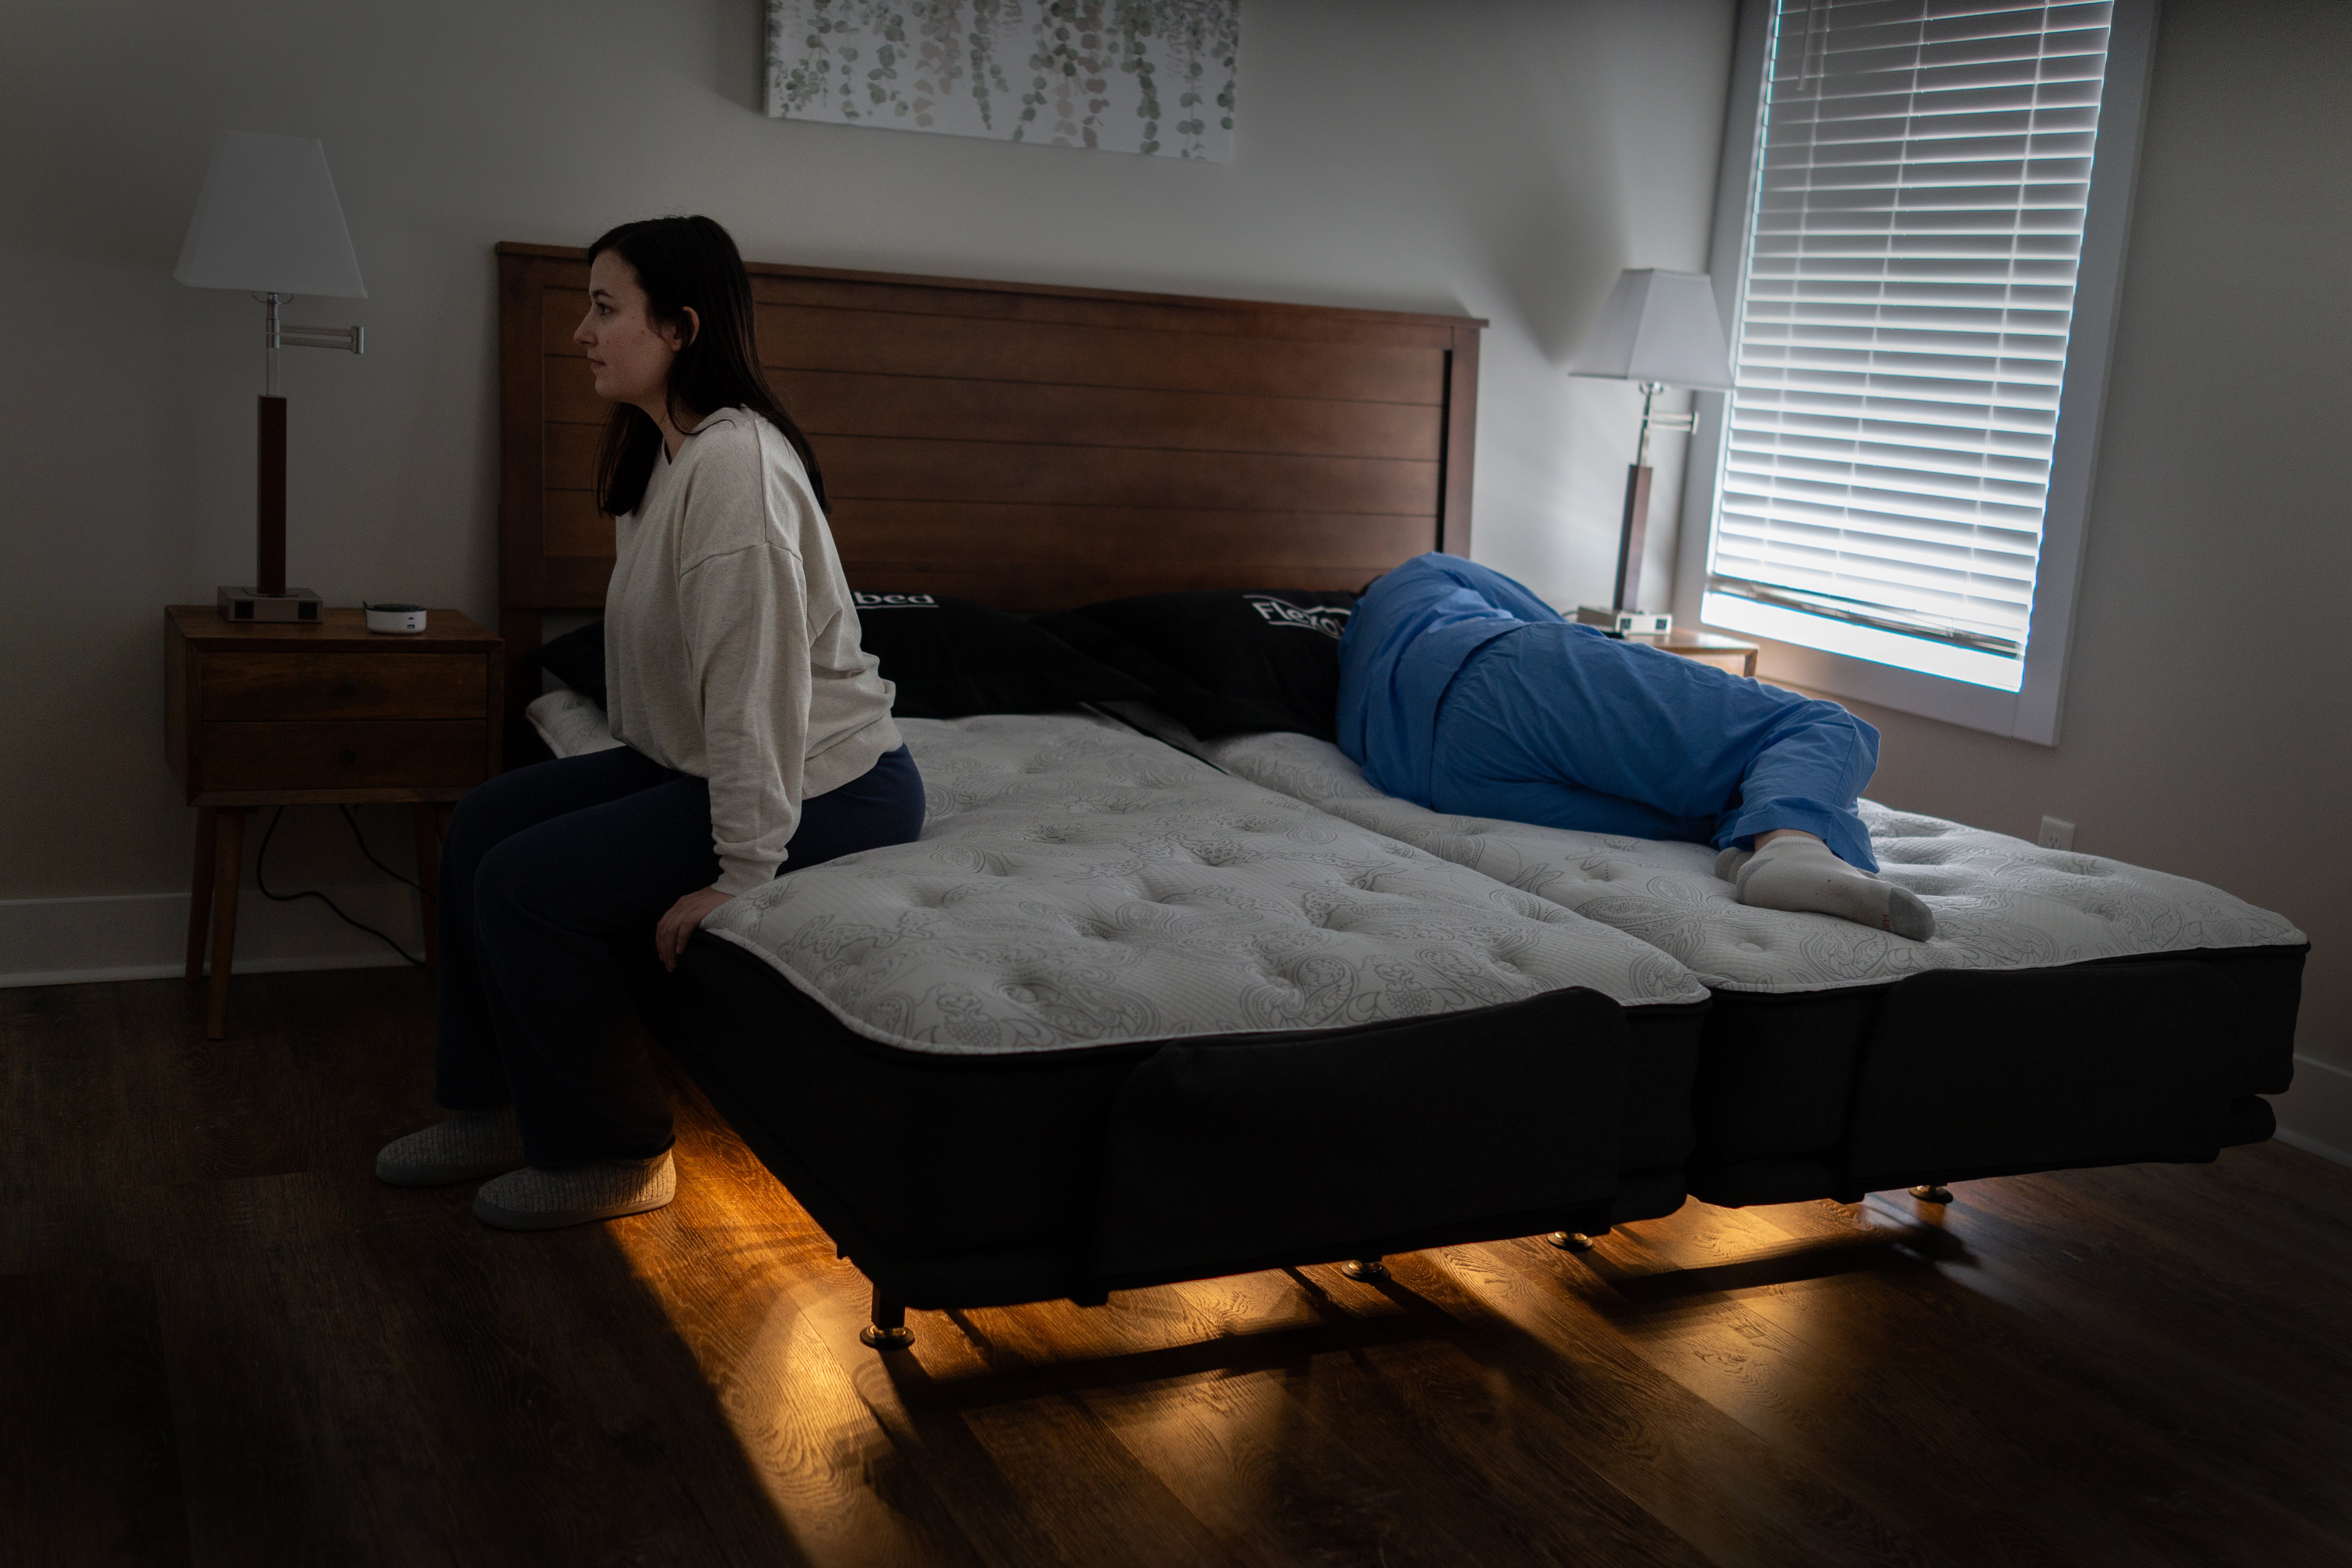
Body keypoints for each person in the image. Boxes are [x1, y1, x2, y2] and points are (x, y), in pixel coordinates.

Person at [375, 216, 926, 1228]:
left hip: (834, 785)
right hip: (698, 763)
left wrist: (742, 876)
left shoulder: (736, 473)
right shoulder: (664, 457)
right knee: (483, 828)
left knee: (527, 886)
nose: (581, 331)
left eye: (604, 307)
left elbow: (757, 690)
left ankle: (618, 1153)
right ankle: (498, 1107)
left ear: (679, 327)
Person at [1336, 553, 1934, 941]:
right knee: (1817, 724)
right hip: (1496, 672)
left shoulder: (1348, 674)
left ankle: (1757, 847)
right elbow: (1560, 630)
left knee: (1705, 810)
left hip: (1435, 778)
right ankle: (1794, 848)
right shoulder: (1425, 571)